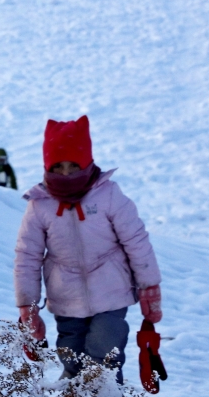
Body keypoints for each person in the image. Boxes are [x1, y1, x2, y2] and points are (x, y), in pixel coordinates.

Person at [14, 116, 162, 381]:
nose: (67, 174)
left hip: (111, 291)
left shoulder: (108, 195)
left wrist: (149, 287)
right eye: (59, 167)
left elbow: (136, 240)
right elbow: (27, 256)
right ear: (48, 166)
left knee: (104, 352)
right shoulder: (39, 205)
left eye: (74, 166)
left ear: (88, 162)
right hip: (66, 296)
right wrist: (28, 306)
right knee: (71, 356)